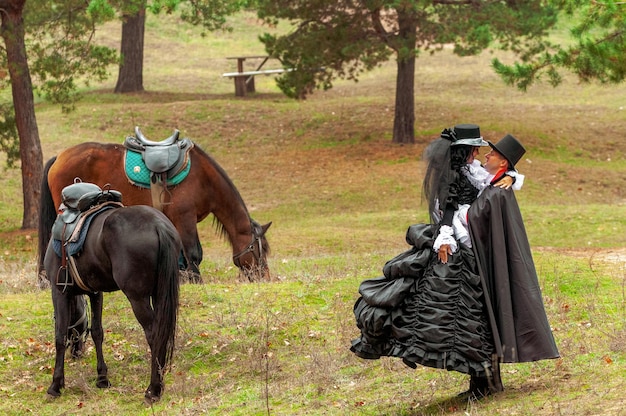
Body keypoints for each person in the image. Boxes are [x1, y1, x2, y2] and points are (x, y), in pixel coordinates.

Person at [350, 126, 558, 400]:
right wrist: (446, 234)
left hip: (472, 254)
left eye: (486, 151)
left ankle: (486, 383)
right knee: (467, 320)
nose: (480, 154)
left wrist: (510, 177)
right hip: (458, 254)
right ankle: (484, 382)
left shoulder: (472, 172)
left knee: (477, 319)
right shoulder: (454, 176)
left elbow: (489, 184)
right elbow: (447, 209)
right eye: (475, 149)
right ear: (463, 151)